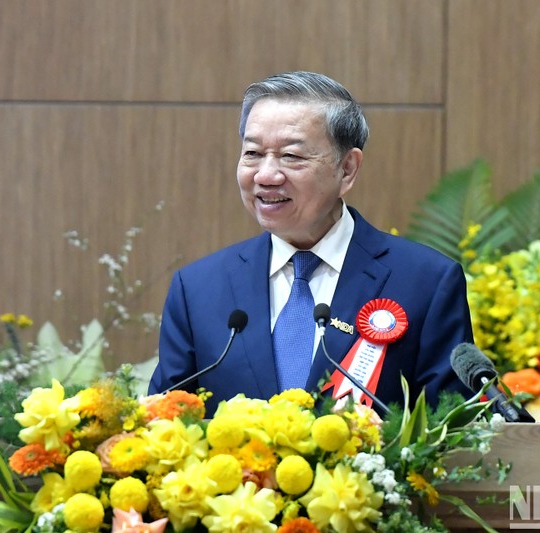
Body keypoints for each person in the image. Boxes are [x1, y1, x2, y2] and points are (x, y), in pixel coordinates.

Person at [148, 71, 473, 415]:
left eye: (291, 156)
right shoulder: (198, 289)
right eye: (253, 153)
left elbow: (455, 433)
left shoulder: (426, 283)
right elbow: (163, 423)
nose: (266, 175)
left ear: (347, 169)